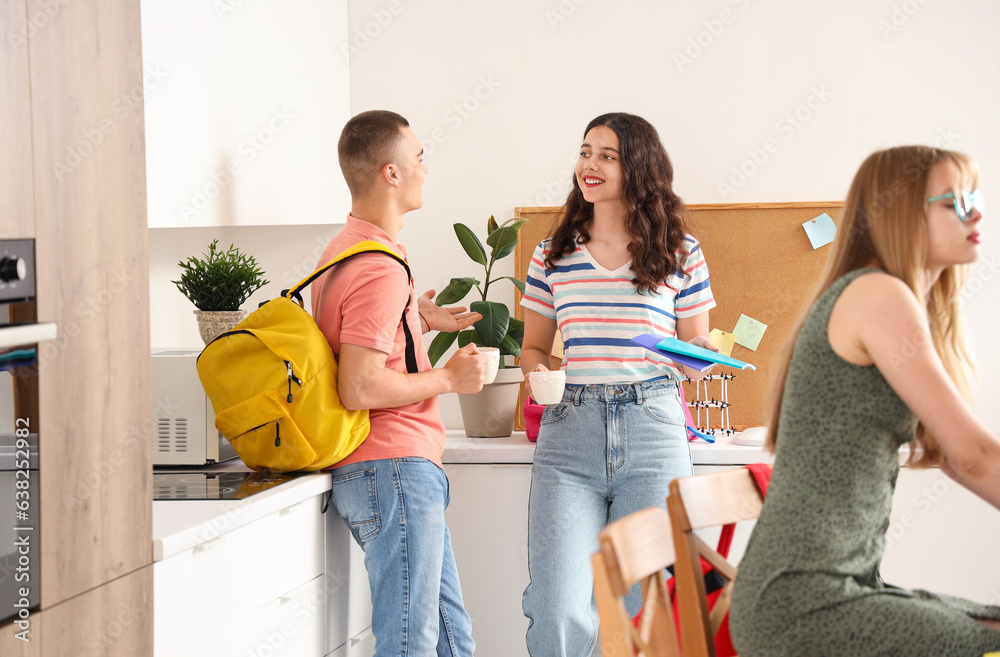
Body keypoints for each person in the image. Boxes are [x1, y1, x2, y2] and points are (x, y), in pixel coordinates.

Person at [729, 146, 1000, 656]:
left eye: (975, 199)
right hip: (803, 607)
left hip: (831, 592)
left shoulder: (880, 295)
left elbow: (956, 462)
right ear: (902, 214)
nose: (977, 212)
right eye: (957, 203)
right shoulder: (878, 296)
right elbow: (974, 456)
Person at [518, 112, 718, 656]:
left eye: (607, 155)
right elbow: (534, 345)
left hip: (653, 428)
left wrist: (701, 357)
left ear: (638, 166)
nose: (591, 164)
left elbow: (694, 352)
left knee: (642, 610)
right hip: (569, 434)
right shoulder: (551, 255)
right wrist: (539, 371)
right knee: (558, 604)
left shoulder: (680, 251)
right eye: (586, 152)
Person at [312, 109, 486, 657]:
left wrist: (417, 320)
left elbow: (363, 345)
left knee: (452, 639)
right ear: (391, 172)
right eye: (418, 158)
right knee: (412, 643)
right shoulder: (379, 268)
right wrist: (448, 378)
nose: (424, 169)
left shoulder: (349, 250)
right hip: (393, 468)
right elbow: (359, 386)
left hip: (390, 470)